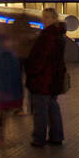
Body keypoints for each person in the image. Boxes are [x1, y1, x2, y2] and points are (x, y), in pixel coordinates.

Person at [25, 16, 67, 146]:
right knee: (53, 107)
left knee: (40, 110)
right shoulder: (60, 37)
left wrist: (31, 72)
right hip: (54, 79)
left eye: (45, 17)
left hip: (43, 80)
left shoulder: (47, 37)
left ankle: (39, 138)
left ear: (52, 19)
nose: (43, 19)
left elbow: (40, 59)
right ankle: (57, 136)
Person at [0, 28, 24, 147]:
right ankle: (1, 139)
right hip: (5, 92)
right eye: (9, 41)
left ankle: (3, 138)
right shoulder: (3, 57)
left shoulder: (10, 55)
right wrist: (0, 91)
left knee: (5, 114)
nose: (12, 43)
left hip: (9, 90)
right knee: (3, 114)